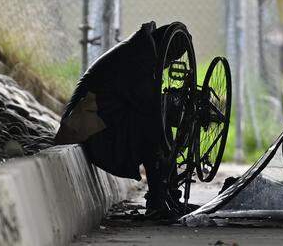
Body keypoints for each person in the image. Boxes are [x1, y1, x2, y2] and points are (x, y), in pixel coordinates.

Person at [55, 21, 188, 219]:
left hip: (101, 119)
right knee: (153, 127)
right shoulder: (138, 58)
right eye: (169, 60)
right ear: (163, 51)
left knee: (156, 121)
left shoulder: (141, 48)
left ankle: (166, 196)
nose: (167, 65)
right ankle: (158, 200)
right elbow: (149, 105)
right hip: (84, 127)